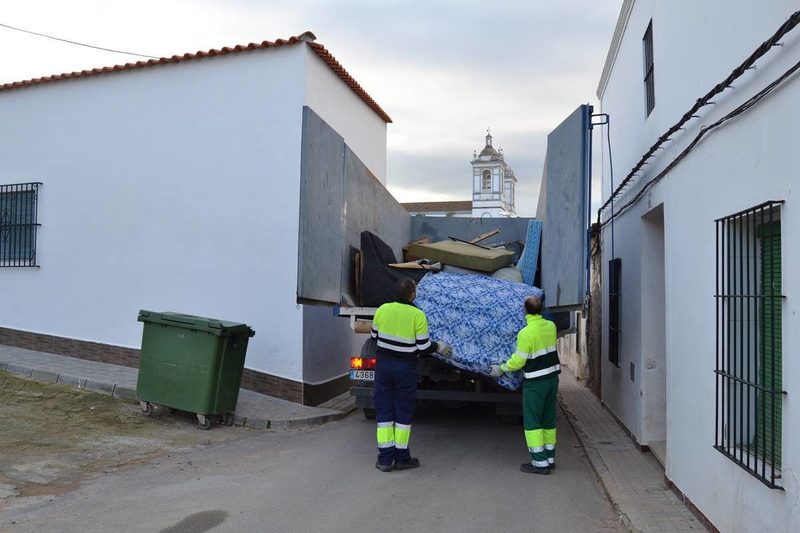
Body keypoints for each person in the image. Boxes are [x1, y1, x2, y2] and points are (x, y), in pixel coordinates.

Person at [370, 277, 452, 472]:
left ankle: (384, 459)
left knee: (384, 412)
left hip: (383, 367)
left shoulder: (382, 309)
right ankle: (402, 459)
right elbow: (423, 346)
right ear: (412, 294)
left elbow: (374, 336)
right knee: (403, 413)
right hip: (405, 369)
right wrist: (439, 347)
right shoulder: (418, 314)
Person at [491, 295, 560, 474]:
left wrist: (501, 368)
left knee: (533, 422)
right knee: (548, 419)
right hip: (552, 379)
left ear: (524, 311)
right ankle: (550, 459)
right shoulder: (551, 327)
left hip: (535, 383)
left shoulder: (525, 333)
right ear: (542, 309)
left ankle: (539, 463)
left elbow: (519, 361)